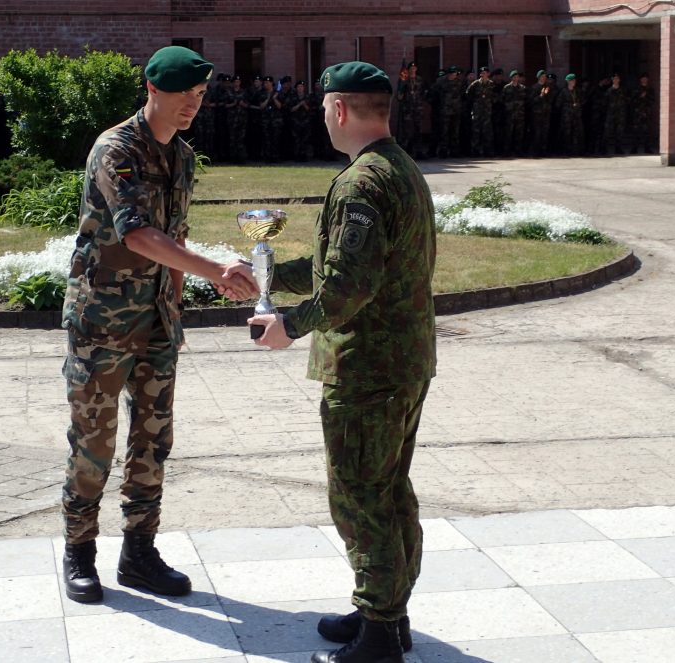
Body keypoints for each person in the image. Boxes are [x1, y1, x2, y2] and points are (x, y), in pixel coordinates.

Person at [242, 61, 436, 663]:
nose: (322, 115)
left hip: (367, 368)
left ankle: (379, 637)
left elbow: (348, 289)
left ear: (341, 110)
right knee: (388, 490)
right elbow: (345, 267)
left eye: (325, 106)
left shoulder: (360, 184)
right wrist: (266, 274)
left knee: (361, 497)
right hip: (401, 362)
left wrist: (288, 326)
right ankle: (385, 611)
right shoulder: (397, 168)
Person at [59, 45, 257, 605]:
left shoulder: (183, 157)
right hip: (102, 322)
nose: (192, 105)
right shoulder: (117, 149)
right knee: (94, 443)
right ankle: (79, 552)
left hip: (157, 322)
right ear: (151, 89)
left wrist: (176, 304)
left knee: (153, 440)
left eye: (198, 96)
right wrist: (217, 269)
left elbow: (176, 237)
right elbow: (139, 235)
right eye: (181, 95)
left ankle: (139, 553)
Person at [395, 61, 424, 159]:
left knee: (418, 130)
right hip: (407, 108)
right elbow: (399, 95)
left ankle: (418, 151)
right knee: (407, 131)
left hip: (417, 108)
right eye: (411, 69)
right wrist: (400, 94)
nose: (413, 70)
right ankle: (406, 151)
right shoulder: (404, 80)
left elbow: (424, 92)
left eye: (414, 68)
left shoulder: (420, 80)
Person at [467, 66, 495, 157]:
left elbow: (495, 96)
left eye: (485, 73)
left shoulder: (491, 84)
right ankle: (475, 150)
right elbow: (468, 94)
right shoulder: (475, 84)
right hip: (477, 110)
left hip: (487, 110)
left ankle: (487, 150)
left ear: (488, 74)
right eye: (482, 73)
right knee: (476, 131)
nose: (483, 74)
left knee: (487, 131)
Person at [557, 73, 584, 156]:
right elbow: (558, 104)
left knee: (576, 133)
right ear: (568, 81)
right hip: (567, 117)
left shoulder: (578, 91)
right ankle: (566, 151)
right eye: (572, 80)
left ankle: (575, 151)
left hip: (576, 116)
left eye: (574, 80)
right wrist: (568, 106)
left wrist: (578, 105)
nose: (574, 81)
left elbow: (582, 101)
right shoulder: (563, 91)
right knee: (567, 134)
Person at [502, 70, 527, 157]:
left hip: (520, 114)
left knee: (519, 134)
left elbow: (525, 100)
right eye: (514, 77)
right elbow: (502, 100)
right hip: (510, 114)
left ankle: (518, 151)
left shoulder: (523, 88)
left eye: (517, 77)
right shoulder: (506, 88)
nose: (516, 78)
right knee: (508, 133)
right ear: (511, 78)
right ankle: (507, 151)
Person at [630, 73, 655, 155]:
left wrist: (647, 97)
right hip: (637, 113)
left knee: (646, 131)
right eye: (643, 78)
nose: (644, 80)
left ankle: (647, 148)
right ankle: (634, 148)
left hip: (646, 113)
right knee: (636, 131)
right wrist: (640, 97)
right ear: (640, 80)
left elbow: (653, 101)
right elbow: (632, 101)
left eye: (645, 78)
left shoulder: (650, 89)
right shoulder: (636, 89)